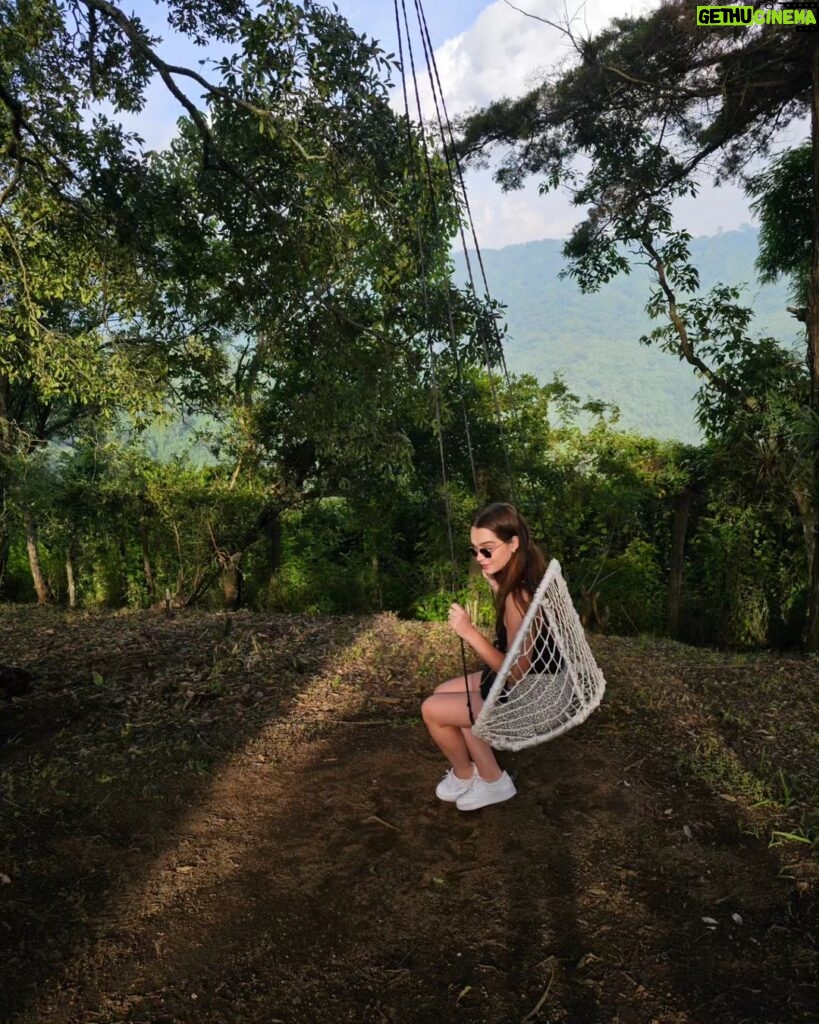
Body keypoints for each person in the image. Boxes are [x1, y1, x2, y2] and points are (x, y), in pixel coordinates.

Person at [421, 502, 547, 811]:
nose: (479, 558)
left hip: (532, 689)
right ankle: (481, 774)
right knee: (444, 694)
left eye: (487, 550)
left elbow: (516, 672)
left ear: (513, 543)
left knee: (432, 709)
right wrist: (496, 587)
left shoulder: (520, 597)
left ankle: (480, 778)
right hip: (535, 677)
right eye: (475, 550)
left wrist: (468, 632)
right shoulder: (522, 579)